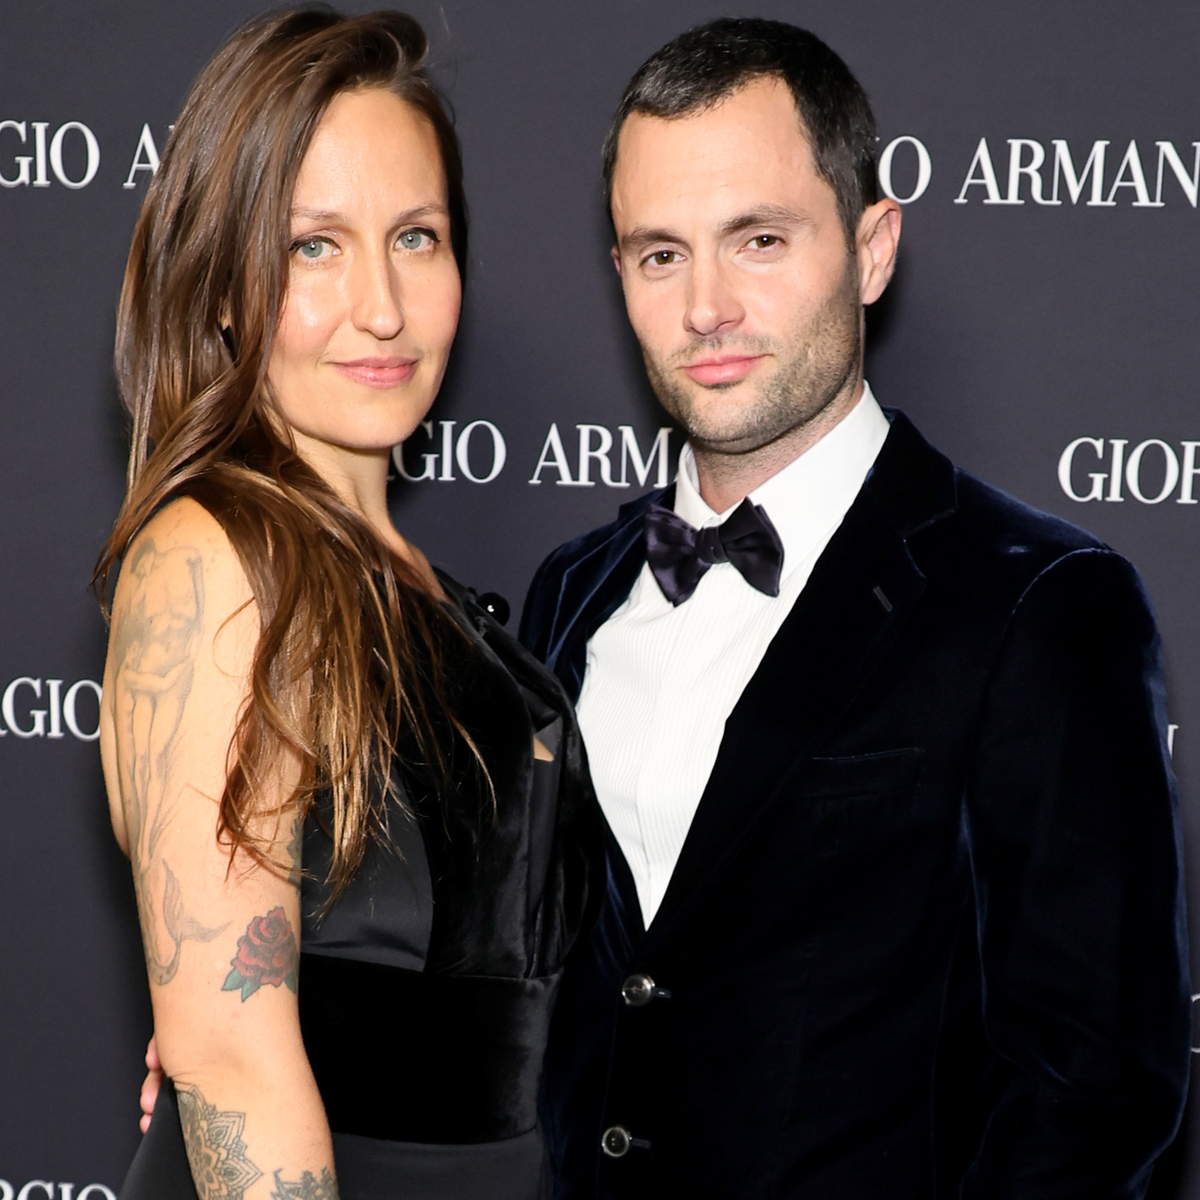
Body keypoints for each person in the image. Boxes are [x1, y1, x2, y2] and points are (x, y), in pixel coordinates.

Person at [519, 18, 1191, 1199]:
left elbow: (1095, 1086)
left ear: (872, 248)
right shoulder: (571, 593)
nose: (707, 308)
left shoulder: (1040, 605)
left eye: (759, 240)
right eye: (658, 254)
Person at [98, 10, 599, 1200]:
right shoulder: (212, 558)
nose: (382, 305)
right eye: (312, 247)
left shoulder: (406, 582)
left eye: (415, 237)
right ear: (220, 281)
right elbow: (228, 1056)